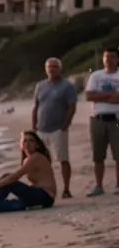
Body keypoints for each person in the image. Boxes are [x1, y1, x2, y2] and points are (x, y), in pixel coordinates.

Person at [32, 57, 77, 199]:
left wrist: (65, 125)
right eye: (49, 67)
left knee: (63, 159)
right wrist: (33, 125)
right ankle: (42, 188)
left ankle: (66, 189)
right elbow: (36, 106)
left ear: (60, 69)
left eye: (54, 67)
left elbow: (72, 107)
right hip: (41, 129)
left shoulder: (67, 86)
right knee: (39, 160)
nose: (51, 69)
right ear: (45, 69)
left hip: (58, 129)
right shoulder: (40, 85)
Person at [85, 48, 119, 197]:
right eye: (106, 57)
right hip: (98, 118)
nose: (108, 60)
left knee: (118, 155)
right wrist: (111, 95)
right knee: (98, 155)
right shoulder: (96, 76)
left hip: (116, 119)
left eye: (112, 57)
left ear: (117, 59)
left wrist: (100, 96)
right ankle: (99, 185)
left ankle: (118, 185)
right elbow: (89, 95)